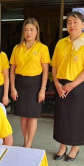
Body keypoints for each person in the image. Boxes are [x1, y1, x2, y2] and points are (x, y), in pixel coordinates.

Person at [51, 11, 84, 161]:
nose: (72, 25)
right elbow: (54, 66)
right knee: (62, 116)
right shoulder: (61, 43)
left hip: (78, 84)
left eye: (75, 22)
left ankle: (75, 147)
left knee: (76, 117)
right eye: (69, 22)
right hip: (61, 84)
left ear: (83, 25)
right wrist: (57, 84)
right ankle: (62, 146)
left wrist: (72, 85)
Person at [10, 18, 50, 148]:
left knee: (32, 116)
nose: (29, 33)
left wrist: (43, 89)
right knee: (23, 116)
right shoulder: (17, 48)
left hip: (35, 84)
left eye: (32, 30)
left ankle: (29, 143)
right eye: (26, 30)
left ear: (37, 31)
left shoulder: (42, 48)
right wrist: (13, 88)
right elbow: (12, 70)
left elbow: (45, 71)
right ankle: (25, 140)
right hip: (20, 83)